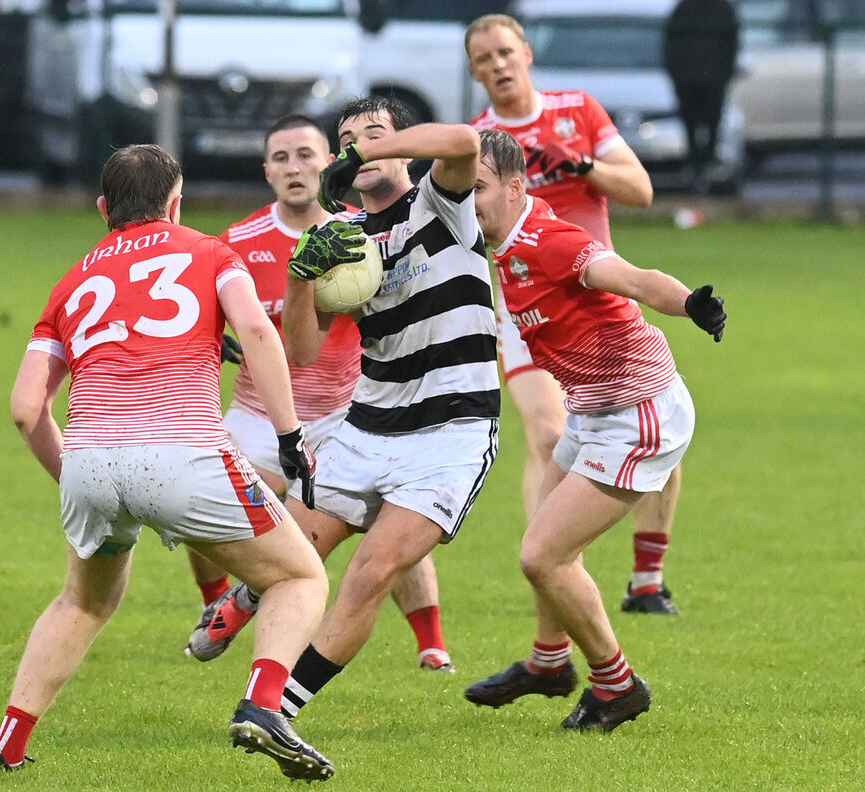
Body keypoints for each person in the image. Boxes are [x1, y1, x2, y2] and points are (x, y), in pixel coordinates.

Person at [0, 144, 335, 782]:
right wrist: (288, 435)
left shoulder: (72, 281)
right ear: (176, 202)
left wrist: (75, 476)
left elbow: (27, 408)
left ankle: (3, 746)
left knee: (80, 605)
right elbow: (256, 332)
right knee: (299, 578)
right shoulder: (212, 252)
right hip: (184, 453)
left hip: (89, 458)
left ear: (103, 209)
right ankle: (263, 705)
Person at [465, 128, 727, 726]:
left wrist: (691, 304)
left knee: (543, 555)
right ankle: (549, 661)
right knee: (549, 539)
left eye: (476, 188)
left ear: (514, 185)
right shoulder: (493, 235)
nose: (465, 201)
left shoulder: (548, 240)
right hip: (592, 407)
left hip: (639, 417)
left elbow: (633, 278)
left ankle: (617, 686)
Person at [184, 113, 455, 673]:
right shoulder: (237, 241)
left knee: (393, 522)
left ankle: (431, 644)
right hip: (261, 413)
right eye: (281, 158)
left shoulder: (365, 231)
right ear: (267, 172)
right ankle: (220, 604)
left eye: (306, 154)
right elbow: (201, 322)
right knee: (198, 507)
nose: (295, 167)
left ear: (329, 162)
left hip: (346, 409)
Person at [273, 97, 499, 721]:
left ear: (400, 146)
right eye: (344, 138)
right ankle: (241, 603)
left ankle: (277, 708)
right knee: (285, 560)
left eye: (373, 134)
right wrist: (299, 277)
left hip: (451, 429)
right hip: (366, 429)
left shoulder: (440, 201)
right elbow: (301, 350)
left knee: (372, 571)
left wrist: (363, 152)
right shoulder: (341, 237)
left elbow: (461, 140)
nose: (357, 146)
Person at [466, 13, 683, 617]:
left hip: (598, 292)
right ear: (473, 71)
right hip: (525, 307)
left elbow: (640, 191)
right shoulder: (473, 144)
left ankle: (647, 578)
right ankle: (557, 572)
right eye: (485, 59)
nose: (498, 65)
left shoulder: (578, 109)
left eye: (506, 51)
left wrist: (582, 165)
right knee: (547, 434)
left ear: (527, 54)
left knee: (657, 425)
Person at [663, 0, 740, 192]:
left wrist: (723, 75)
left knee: (712, 123)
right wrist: (677, 75)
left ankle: (706, 166)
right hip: (688, 81)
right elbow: (670, 44)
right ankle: (694, 167)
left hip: (713, 81)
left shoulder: (722, 9)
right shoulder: (684, 8)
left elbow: (732, 45)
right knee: (690, 124)